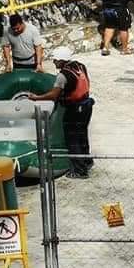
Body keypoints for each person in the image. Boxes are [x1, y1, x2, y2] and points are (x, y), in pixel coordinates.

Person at [28, 47, 94, 179]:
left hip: (75, 109)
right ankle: (87, 161)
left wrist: (36, 98)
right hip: (86, 106)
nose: (54, 62)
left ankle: (79, 171)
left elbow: (53, 95)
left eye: (55, 60)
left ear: (61, 60)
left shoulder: (63, 75)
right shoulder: (80, 66)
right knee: (82, 135)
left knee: (73, 139)